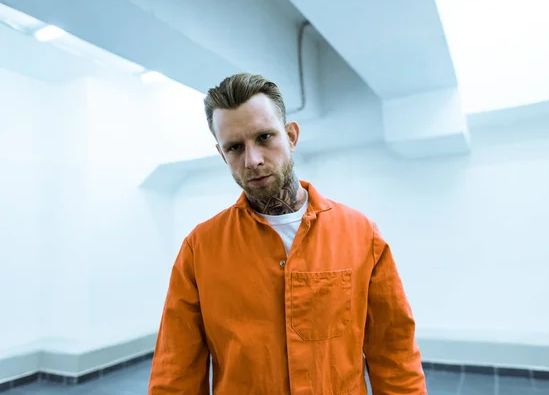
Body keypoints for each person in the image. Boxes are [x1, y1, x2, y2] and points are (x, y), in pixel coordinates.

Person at [148, 73, 428, 394]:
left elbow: (394, 354)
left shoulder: (361, 235)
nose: (252, 160)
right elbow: (176, 372)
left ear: (291, 136)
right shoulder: (200, 249)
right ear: (222, 155)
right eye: (235, 147)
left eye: (264, 137)